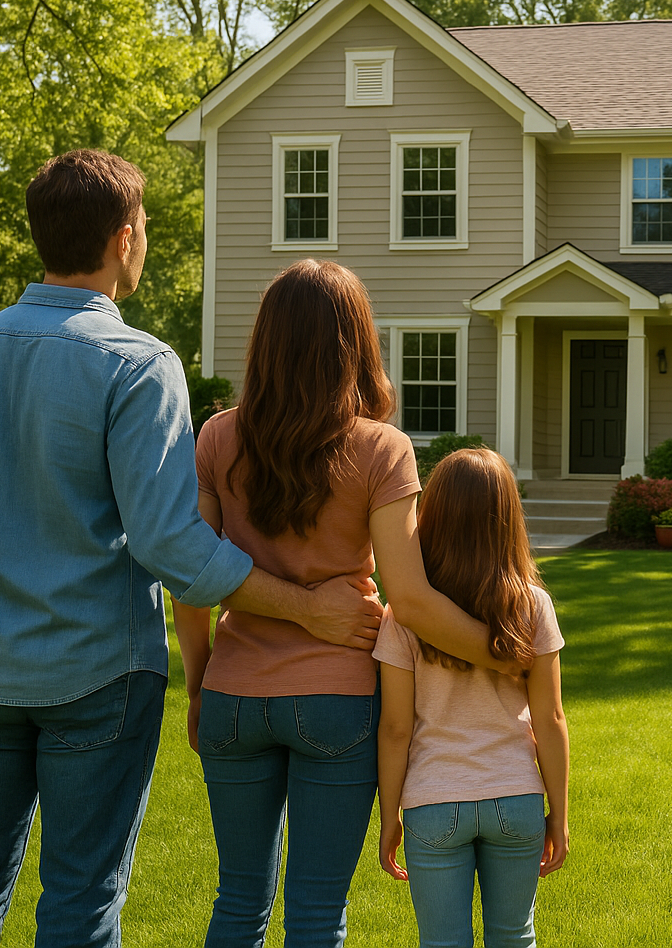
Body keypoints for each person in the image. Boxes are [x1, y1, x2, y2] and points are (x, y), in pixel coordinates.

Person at [0, 150, 383, 948]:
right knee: (81, 895)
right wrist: (311, 609)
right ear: (125, 238)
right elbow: (172, 546)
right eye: (149, 229)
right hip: (100, 672)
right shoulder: (137, 364)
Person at [173, 259, 518, 948]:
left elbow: (192, 580)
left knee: (238, 901)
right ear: (355, 344)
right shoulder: (381, 448)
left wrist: (200, 681)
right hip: (338, 702)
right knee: (315, 911)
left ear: (265, 342)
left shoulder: (216, 436)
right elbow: (412, 599)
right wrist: (510, 656)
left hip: (234, 695)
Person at [375, 448, 571, 948]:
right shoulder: (532, 605)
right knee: (515, 937)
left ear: (433, 513)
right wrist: (559, 816)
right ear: (508, 518)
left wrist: (389, 816)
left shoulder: (406, 614)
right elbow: (549, 719)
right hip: (517, 799)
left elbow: (395, 728)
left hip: (433, 803)